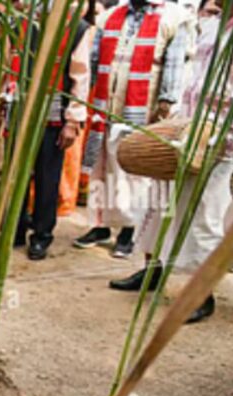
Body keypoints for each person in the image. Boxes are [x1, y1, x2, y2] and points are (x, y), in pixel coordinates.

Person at [117, 0, 233, 323]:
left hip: (227, 140)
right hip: (186, 131)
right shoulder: (211, 24)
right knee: (160, 203)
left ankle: (201, 295)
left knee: (206, 217)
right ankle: (152, 270)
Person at [75, 0, 193, 259]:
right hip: (105, 104)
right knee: (101, 167)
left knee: (134, 171)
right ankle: (99, 225)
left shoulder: (174, 17)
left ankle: (129, 231)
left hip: (142, 107)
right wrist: (80, 95)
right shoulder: (110, 15)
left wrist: (166, 101)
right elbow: (93, 60)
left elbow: (173, 64)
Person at [12, 14, 94, 260]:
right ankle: (13, 230)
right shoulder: (21, 21)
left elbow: (81, 77)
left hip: (53, 111)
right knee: (15, 174)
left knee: (48, 176)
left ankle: (41, 236)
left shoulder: (76, 28)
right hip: (20, 107)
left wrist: (72, 120)